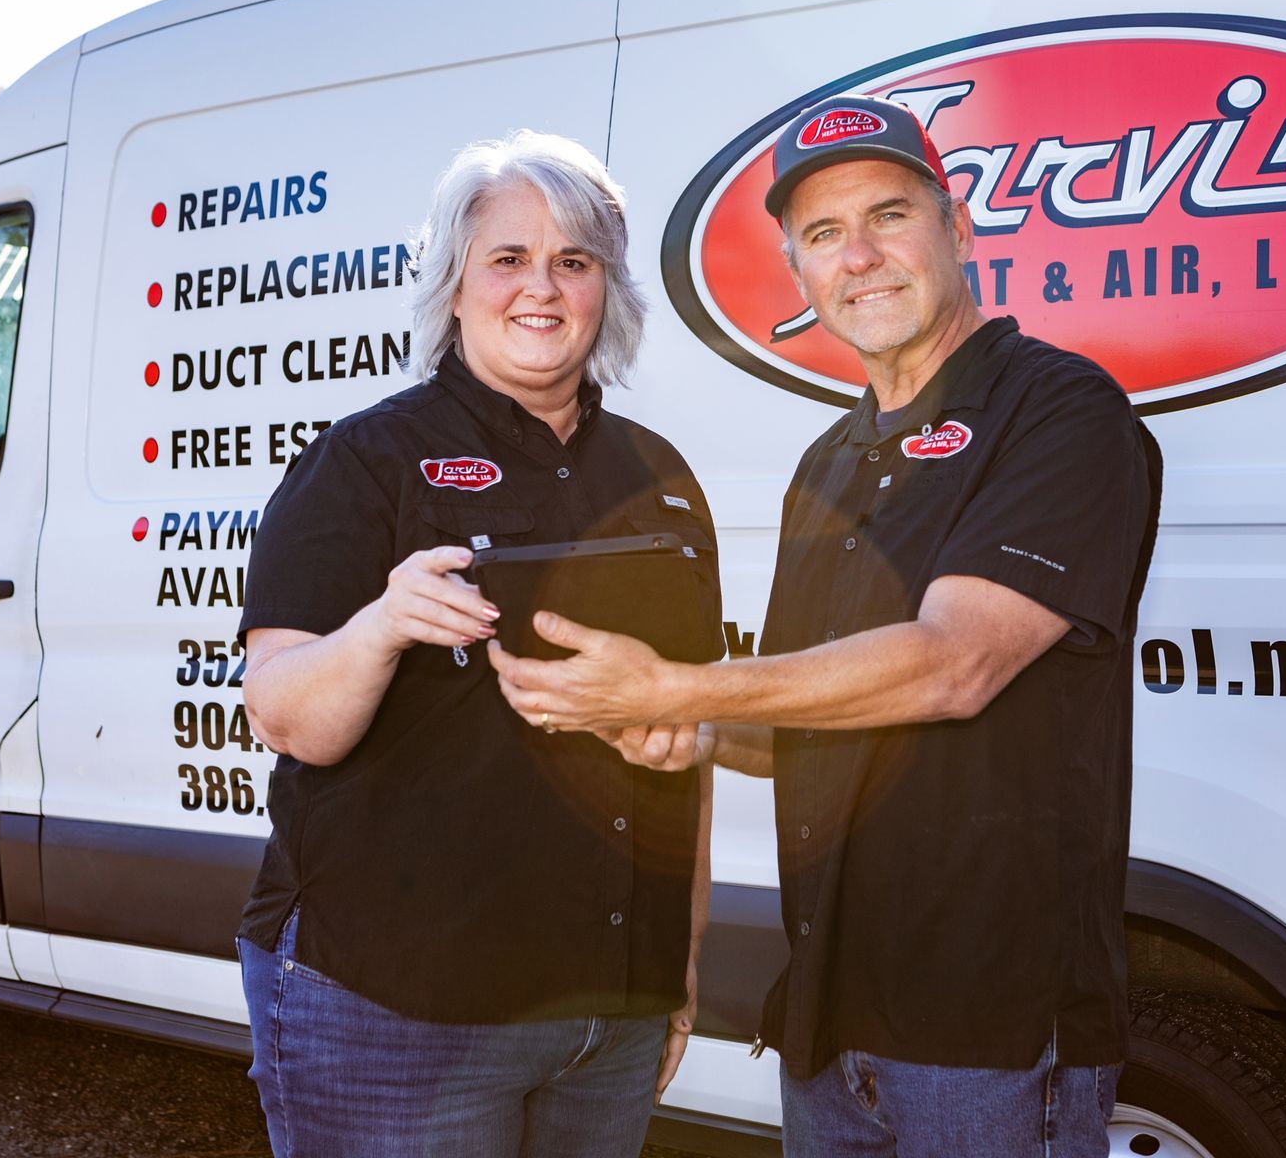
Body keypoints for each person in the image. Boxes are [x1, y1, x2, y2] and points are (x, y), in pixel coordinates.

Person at [491, 95, 1163, 1157]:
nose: (861, 255)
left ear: (958, 228)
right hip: (828, 1025)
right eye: (822, 234)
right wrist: (697, 732)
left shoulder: (1061, 412)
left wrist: (679, 689)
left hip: (985, 1035)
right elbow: (810, 706)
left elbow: (954, 664)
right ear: (799, 275)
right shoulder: (831, 463)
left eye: (889, 215)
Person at [233, 129, 722, 1157]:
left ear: (607, 291)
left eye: (574, 261)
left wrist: (679, 966)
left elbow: (690, 737)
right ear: (455, 287)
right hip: (400, 1007)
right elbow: (283, 711)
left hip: (609, 1013)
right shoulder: (366, 460)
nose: (541, 288)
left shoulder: (664, 478)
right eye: (508, 258)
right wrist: (380, 625)